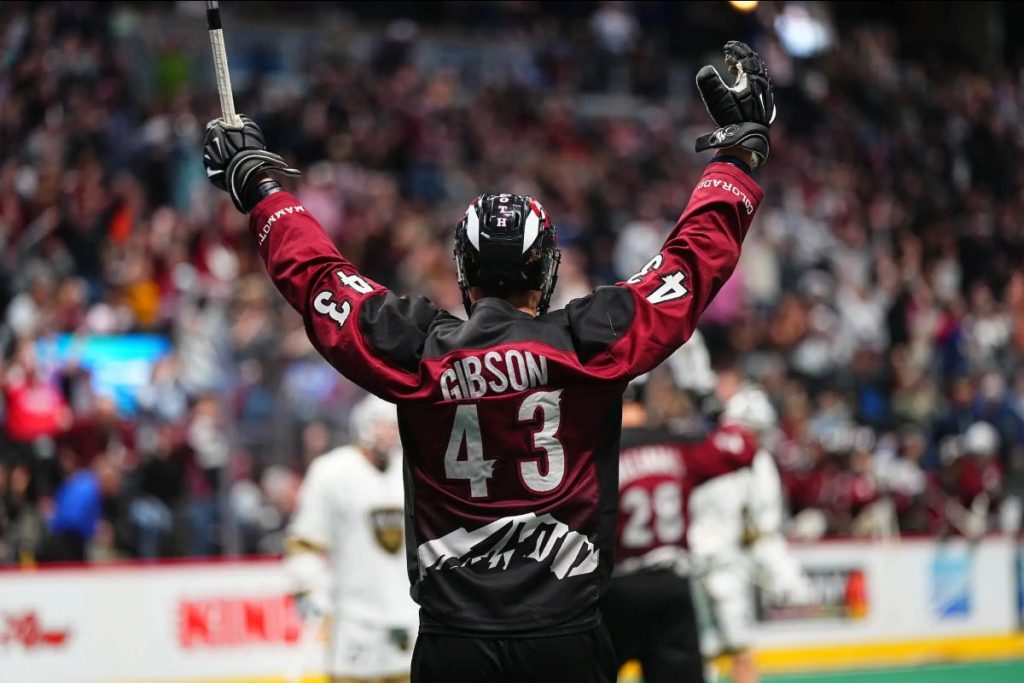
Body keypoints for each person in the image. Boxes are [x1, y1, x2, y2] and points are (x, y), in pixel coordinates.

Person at [203, 41, 775, 683]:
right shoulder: (592, 341)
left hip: (454, 642)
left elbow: (320, 282)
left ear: (463, 270)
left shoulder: (416, 348)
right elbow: (687, 267)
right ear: (549, 268)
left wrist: (262, 190)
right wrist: (738, 160)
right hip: (567, 635)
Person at [600, 373, 759, 683]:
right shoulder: (675, 444)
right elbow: (742, 446)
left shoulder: (597, 453)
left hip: (615, 589)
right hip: (671, 586)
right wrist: (710, 408)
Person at [284, 393, 418, 683]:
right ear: (364, 427)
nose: (391, 434)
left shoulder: (412, 470)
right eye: (384, 425)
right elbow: (305, 542)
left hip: (408, 616)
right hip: (354, 621)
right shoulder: (331, 473)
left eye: (395, 426)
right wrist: (307, 588)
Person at [688, 381, 812, 683]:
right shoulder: (755, 461)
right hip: (725, 565)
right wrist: (788, 575)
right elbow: (762, 530)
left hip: (692, 563)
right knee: (741, 653)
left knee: (702, 654)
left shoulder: (700, 449)